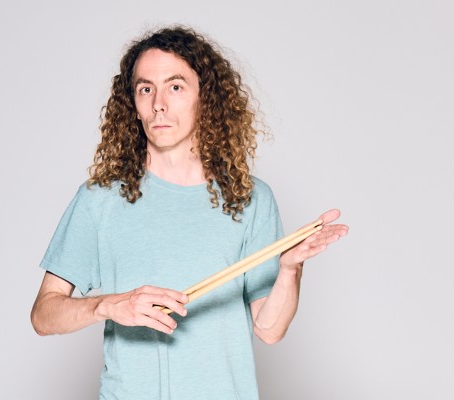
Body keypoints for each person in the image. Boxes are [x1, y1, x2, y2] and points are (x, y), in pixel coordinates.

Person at [31, 26, 348, 400]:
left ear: (205, 98)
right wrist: (108, 305)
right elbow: (44, 315)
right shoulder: (99, 198)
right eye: (145, 89)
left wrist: (291, 269)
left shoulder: (250, 198)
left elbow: (269, 329)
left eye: (175, 87)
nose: (158, 104)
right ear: (132, 103)